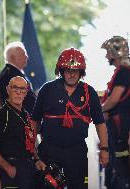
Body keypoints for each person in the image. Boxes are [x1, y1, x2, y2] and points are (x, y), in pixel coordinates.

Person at [31, 48, 109, 189]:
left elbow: (100, 122)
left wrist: (104, 149)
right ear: (61, 70)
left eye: (76, 70)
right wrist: (32, 151)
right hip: (49, 151)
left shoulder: (89, 91)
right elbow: (34, 120)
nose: (72, 74)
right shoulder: (47, 89)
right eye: (68, 70)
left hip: (76, 151)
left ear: (81, 72)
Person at [0, 76, 37, 189]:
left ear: (26, 92)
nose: (18, 92)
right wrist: (7, 167)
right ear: (8, 89)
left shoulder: (26, 114)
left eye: (22, 89)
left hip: (29, 169)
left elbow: (30, 141)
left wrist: (37, 159)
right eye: (15, 88)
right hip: (11, 170)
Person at [101, 36, 130, 189]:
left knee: (120, 161)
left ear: (116, 52)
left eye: (108, 52)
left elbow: (114, 99)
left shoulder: (123, 72)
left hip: (119, 123)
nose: (106, 56)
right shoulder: (121, 71)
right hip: (118, 121)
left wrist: (98, 110)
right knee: (116, 159)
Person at [0, 41, 36, 115]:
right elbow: (23, 99)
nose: (27, 57)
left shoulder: (14, 72)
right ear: (12, 57)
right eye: (23, 54)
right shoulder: (10, 75)